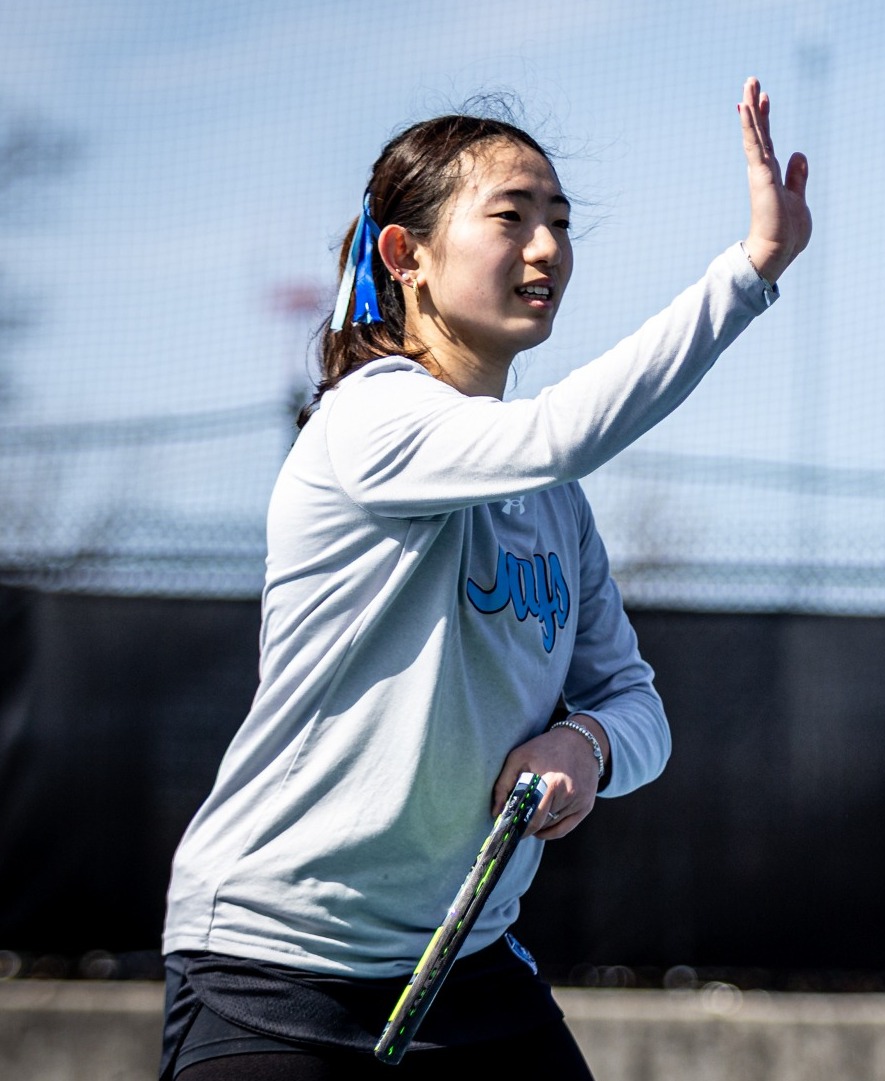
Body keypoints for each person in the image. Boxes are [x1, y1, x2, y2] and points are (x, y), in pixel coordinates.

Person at [158, 80, 809, 1080]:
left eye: (559, 221)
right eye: (512, 217)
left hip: (467, 972)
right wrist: (749, 269)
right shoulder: (367, 422)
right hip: (275, 973)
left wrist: (585, 741)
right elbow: (555, 431)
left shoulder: (554, 503)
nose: (548, 248)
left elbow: (637, 707)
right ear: (404, 256)